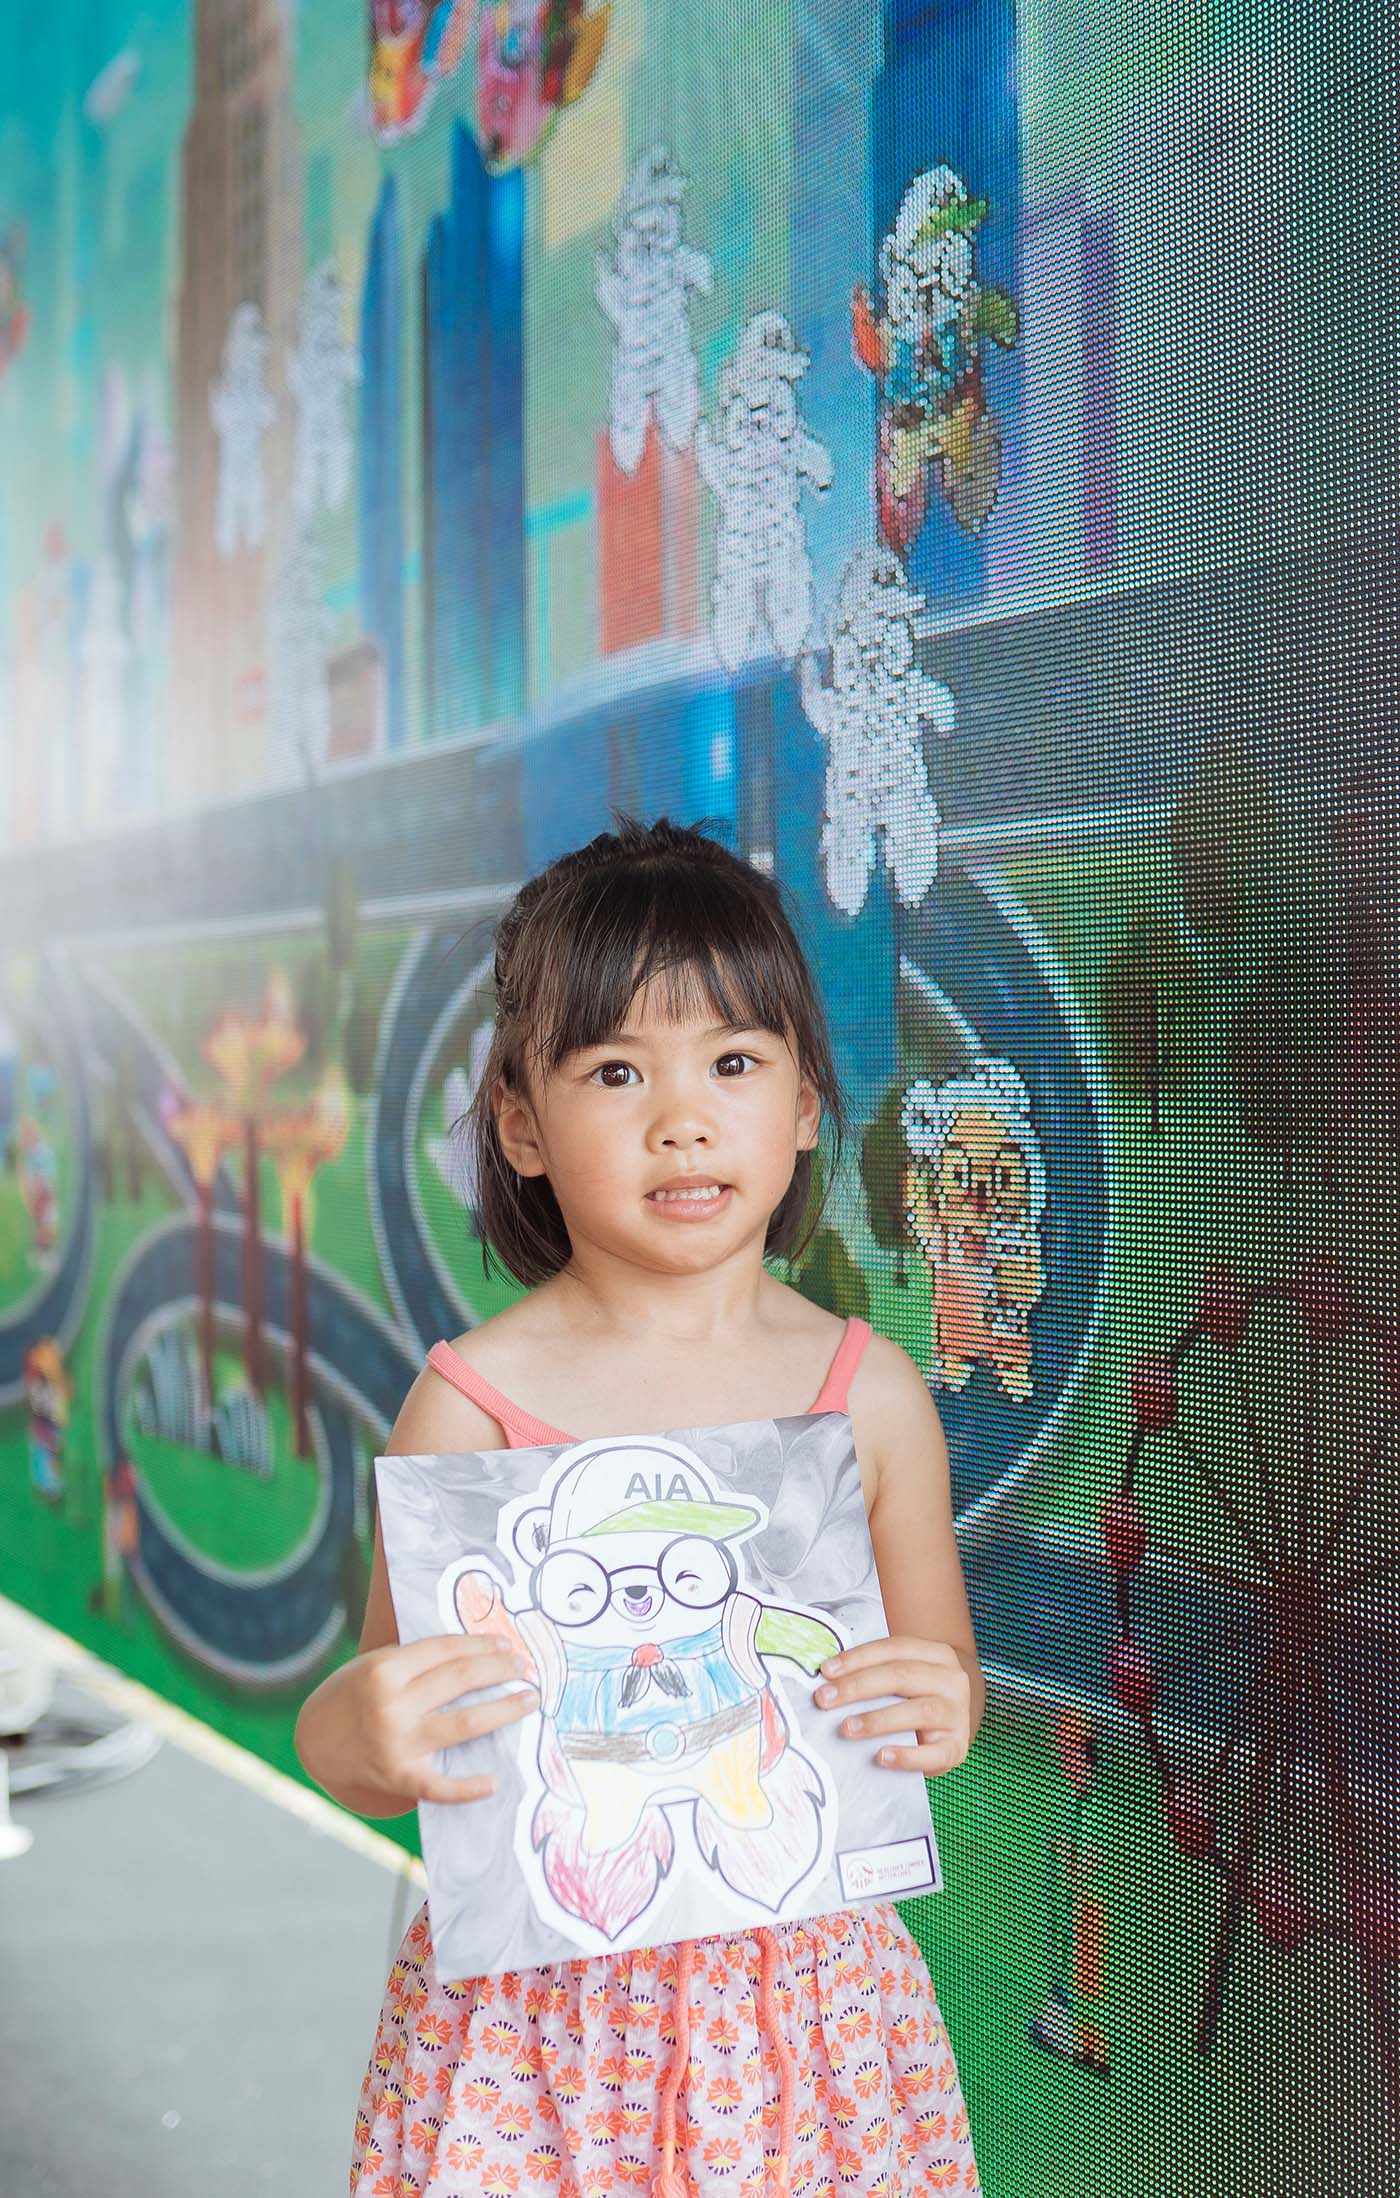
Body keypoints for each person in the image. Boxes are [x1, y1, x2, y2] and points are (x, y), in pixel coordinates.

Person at [295, 815, 985, 2197]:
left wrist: (947, 1703)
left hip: (809, 2022)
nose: (682, 1114)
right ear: (521, 1124)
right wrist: (357, 1727)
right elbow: (376, 1744)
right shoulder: (473, 1409)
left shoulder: (872, 1397)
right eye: (616, 1069)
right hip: (538, 2044)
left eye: (733, 1060)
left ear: (801, 1103)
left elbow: (941, 1684)